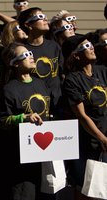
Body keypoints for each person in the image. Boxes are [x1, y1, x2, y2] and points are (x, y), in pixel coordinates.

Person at [0, 42, 58, 200]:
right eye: (25, 55)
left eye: (30, 53)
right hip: (21, 157)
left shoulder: (41, 83)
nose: (31, 56)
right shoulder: (9, 89)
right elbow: (1, 120)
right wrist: (23, 117)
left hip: (45, 153)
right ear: (15, 64)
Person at [62, 34, 107, 200]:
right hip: (90, 142)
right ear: (76, 55)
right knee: (87, 189)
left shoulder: (103, 71)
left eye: (91, 44)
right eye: (85, 46)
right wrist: (102, 139)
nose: (92, 47)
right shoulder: (72, 80)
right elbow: (82, 115)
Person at [18, 7, 64, 119]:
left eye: (45, 16)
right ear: (28, 25)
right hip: (35, 103)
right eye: (40, 17)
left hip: (57, 102)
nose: (45, 19)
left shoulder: (54, 46)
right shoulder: (21, 49)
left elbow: (62, 73)